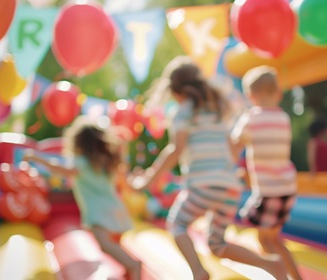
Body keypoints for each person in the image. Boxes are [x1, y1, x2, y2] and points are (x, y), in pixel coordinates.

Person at [129, 57, 288, 280]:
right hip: (230, 188)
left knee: (177, 225)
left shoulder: (184, 111)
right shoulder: (216, 110)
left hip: (204, 184)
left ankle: (199, 272)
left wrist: (148, 180)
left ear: (176, 92)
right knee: (217, 244)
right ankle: (269, 264)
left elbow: (175, 149)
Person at [23, 117, 141, 280]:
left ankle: (133, 265)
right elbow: (124, 182)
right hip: (116, 209)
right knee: (114, 244)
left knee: (105, 246)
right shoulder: (106, 162)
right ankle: (129, 269)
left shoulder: (82, 163)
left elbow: (60, 168)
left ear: (78, 143)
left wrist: (37, 158)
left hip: (99, 214)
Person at [231, 66, 303, 280]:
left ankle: (280, 274)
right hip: (287, 188)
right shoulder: (284, 118)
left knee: (266, 239)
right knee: (273, 238)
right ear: (278, 94)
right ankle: (294, 276)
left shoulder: (250, 118)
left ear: (250, 96)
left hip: (268, 191)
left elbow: (234, 146)